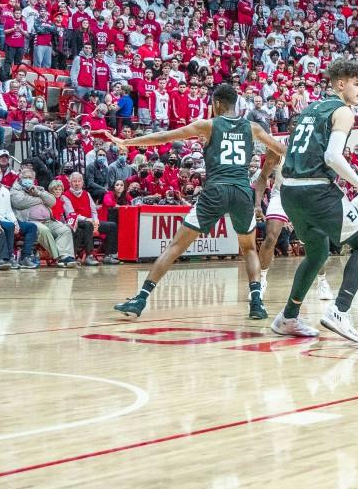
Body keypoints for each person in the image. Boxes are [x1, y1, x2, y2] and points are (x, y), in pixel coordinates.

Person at [109, 83, 284, 321]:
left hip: (216, 190)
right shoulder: (252, 127)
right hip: (243, 191)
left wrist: (127, 143)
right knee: (249, 248)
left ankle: (140, 299)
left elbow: (166, 136)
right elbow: (282, 149)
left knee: (176, 247)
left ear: (217, 104)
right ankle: (256, 303)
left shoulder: (208, 125)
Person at [274, 58, 358, 342]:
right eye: (356, 84)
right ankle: (340, 311)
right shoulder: (343, 111)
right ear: (340, 84)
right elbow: (332, 156)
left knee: (318, 252)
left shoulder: (311, 109)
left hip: (290, 191)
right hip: (315, 191)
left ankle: (288, 317)